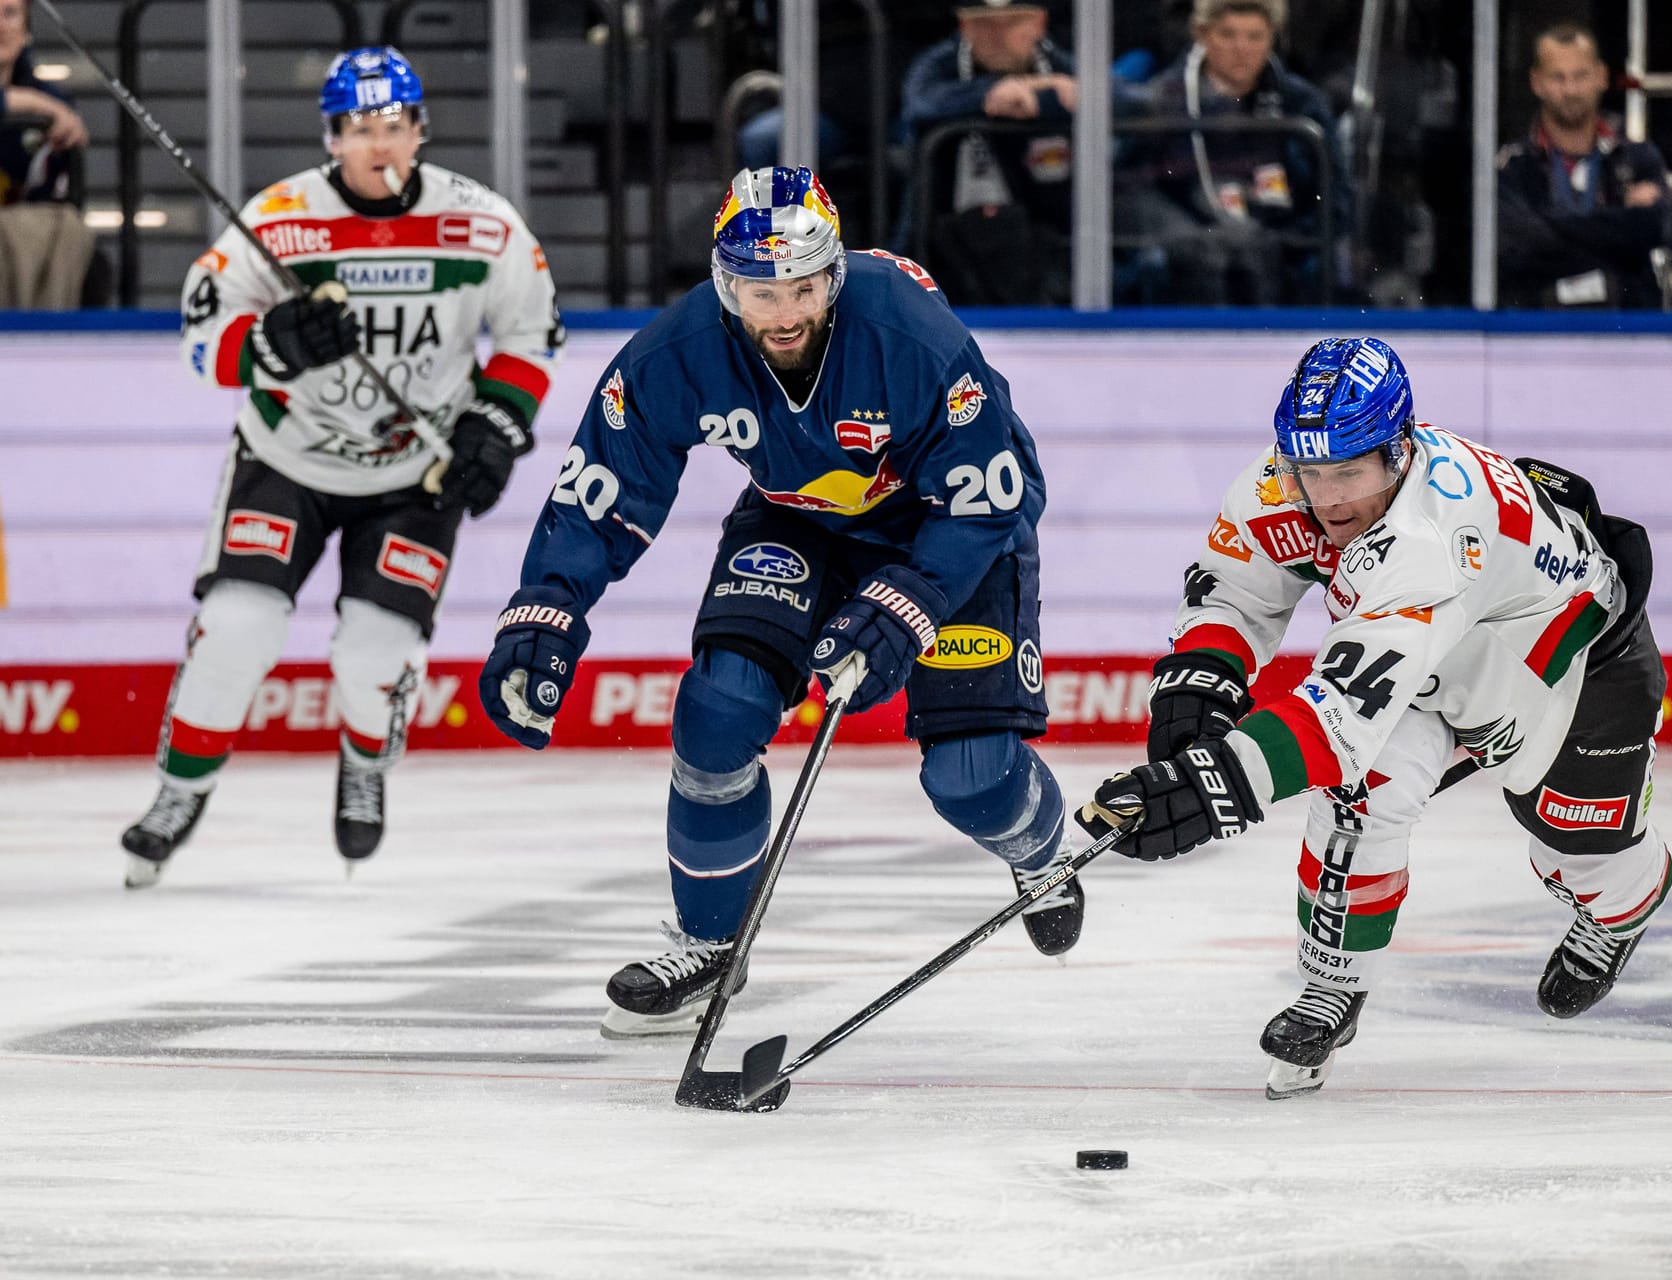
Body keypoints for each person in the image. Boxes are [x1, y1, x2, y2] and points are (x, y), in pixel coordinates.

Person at [477, 165, 1080, 1038]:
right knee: (718, 709)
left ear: (833, 273)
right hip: (800, 520)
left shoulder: (909, 332)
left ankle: (1042, 853)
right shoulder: (680, 349)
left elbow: (996, 489)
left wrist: (909, 596)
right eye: (761, 291)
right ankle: (709, 942)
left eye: (803, 285)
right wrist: (546, 605)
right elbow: (601, 489)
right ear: (725, 284)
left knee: (972, 781)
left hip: (950, 528)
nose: (786, 311)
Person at [1077, 336, 1672, 1098]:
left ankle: (1628, 903)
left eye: (1348, 472)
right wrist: (1199, 689)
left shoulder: (1430, 538)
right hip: (1430, 665)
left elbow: (1334, 718)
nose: (1325, 497)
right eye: (1308, 470)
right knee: (1364, 794)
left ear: (1398, 454)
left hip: (1574, 659)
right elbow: (1235, 589)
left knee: (1574, 850)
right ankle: (1334, 987)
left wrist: (1208, 789)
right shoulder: (1283, 483)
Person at [118, 46, 564, 888]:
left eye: (393, 125)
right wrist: (270, 346)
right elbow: (200, 339)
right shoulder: (280, 217)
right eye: (358, 129)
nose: (378, 145)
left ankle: (365, 758)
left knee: (375, 653)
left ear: (421, 130)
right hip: (287, 459)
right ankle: (180, 790)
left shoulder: (482, 223)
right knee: (236, 628)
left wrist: (496, 427)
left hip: (413, 475)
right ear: (331, 138)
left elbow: (532, 332)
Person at [1123, 0, 1352, 306]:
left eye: (1255, 37)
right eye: (1228, 35)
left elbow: (1337, 198)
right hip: (1191, 263)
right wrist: (1189, 236)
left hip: (1278, 258)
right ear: (1202, 35)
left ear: (1273, 37)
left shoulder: (1302, 104)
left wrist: (1285, 240)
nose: (1241, 49)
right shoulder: (1162, 99)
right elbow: (1132, 191)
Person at [896, 0, 1085, 304]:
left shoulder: (1059, 64)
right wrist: (986, 94)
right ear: (964, 27)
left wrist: (1037, 90)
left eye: (1012, 23)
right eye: (984, 24)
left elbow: (1122, 96)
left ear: (1038, 23)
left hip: (1055, 232)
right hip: (947, 240)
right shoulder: (941, 65)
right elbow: (920, 101)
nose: (998, 35)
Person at [1497, 23, 1671, 309]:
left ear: (1601, 77)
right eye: (1558, 78)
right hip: (1537, 333)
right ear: (1536, 82)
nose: (1571, 89)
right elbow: (1520, 248)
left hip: (1626, 331)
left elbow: (1653, 230)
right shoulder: (1512, 165)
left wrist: (1552, 227)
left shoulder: (1636, 157)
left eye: (1581, 76)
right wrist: (1617, 232)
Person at [0, 0, 94, 308]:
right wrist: (29, 103)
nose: (0, 26)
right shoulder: (42, 103)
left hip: (26, 219)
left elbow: (65, 163)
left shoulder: (52, 98)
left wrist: (67, 126)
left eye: (10, 13)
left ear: (26, 26)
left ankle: (49, 339)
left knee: (70, 228)